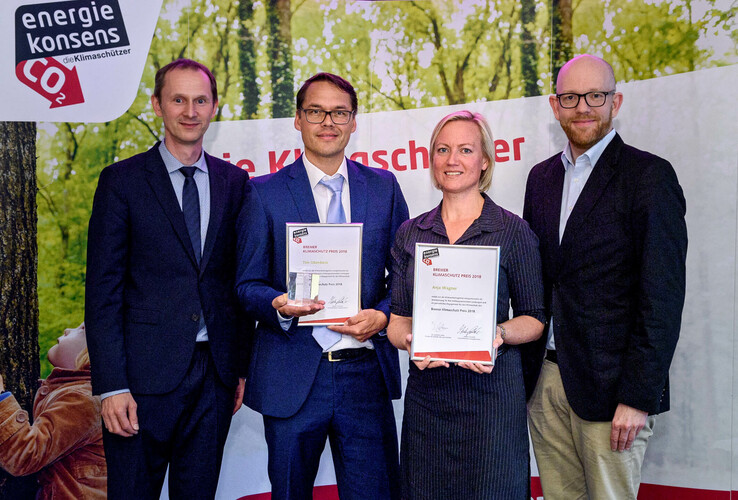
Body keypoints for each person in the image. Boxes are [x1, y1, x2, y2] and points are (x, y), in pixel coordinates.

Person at [236, 72, 409, 499]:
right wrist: (277, 303)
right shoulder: (263, 193)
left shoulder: (383, 188)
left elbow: (406, 274)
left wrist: (384, 314)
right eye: (316, 111)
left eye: (339, 112)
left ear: (353, 121)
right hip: (293, 376)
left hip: (364, 373)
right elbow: (246, 285)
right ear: (298, 119)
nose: (327, 121)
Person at [85, 58, 252, 500]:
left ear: (214, 107)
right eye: (178, 99)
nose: (190, 111)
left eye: (200, 100)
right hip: (139, 382)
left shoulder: (236, 182)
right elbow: (102, 292)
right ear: (158, 105)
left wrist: (237, 368)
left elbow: (238, 280)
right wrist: (111, 386)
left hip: (213, 378)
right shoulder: (121, 182)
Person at [523, 54, 688, 499]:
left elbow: (663, 297)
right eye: (571, 97)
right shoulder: (540, 179)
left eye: (594, 95)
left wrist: (638, 396)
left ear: (615, 101)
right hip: (546, 383)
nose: (583, 107)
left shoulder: (649, 177)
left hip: (614, 392)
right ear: (555, 107)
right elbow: (535, 280)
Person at [387, 110, 545, 499]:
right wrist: (411, 341)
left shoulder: (512, 230)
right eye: (442, 150)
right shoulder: (411, 233)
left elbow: (536, 319)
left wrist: (498, 333)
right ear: (432, 160)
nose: (452, 160)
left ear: (485, 161)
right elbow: (396, 322)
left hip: (492, 403)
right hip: (429, 401)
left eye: (465, 150)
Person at [0, 323, 106, 500]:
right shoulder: (79, 394)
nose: (67, 330)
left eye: (81, 330)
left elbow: (24, 457)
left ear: (94, 353)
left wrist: (2, 399)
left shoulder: (82, 400)